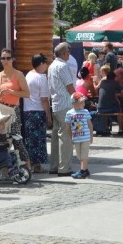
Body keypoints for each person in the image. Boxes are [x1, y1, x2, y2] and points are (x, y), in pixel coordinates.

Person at [0, 48, 31, 169]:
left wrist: (11, 91)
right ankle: (6, 169)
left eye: (8, 58)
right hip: (0, 110)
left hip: (13, 110)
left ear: (13, 59)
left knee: (17, 139)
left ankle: (28, 167)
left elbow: (27, 93)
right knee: (2, 141)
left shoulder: (18, 74)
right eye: (3, 58)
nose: (5, 60)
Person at [48, 42, 76, 175]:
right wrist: (78, 98)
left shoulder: (52, 66)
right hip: (65, 104)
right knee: (66, 136)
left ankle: (54, 166)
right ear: (64, 53)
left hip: (55, 104)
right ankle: (64, 167)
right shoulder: (63, 66)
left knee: (55, 136)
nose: (69, 55)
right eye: (68, 53)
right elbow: (69, 87)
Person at [24, 54, 51, 173]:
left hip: (27, 110)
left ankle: (29, 163)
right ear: (41, 63)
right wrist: (49, 116)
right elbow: (44, 99)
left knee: (29, 139)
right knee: (39, 140)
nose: (47, 65)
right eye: (46, 63)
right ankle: (37, 166)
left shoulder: (29, 75)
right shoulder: (41, 77)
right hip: (38, 111)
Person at [66, 92, 93, 179]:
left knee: (84, 155)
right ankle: (85, 170)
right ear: (74, 103)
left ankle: (83, 171)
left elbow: (90, 124)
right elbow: (68, 127)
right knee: (79, 155)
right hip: (76, 138)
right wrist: (71, 137)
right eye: (81, 102)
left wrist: (91, 136)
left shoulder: (85, 112)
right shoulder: (69, 113)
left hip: (85, 137)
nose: (83, 103)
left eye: (83, 102)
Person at [96, 64, 123, 135]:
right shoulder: (115, 83)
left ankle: (105, 128)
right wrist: (116, 94)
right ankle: (120, 129)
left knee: (106, 109)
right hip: (109, 108)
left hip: (100, 108)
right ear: (114, 77)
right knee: (119, 111)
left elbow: (97, 88)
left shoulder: (102, 82)